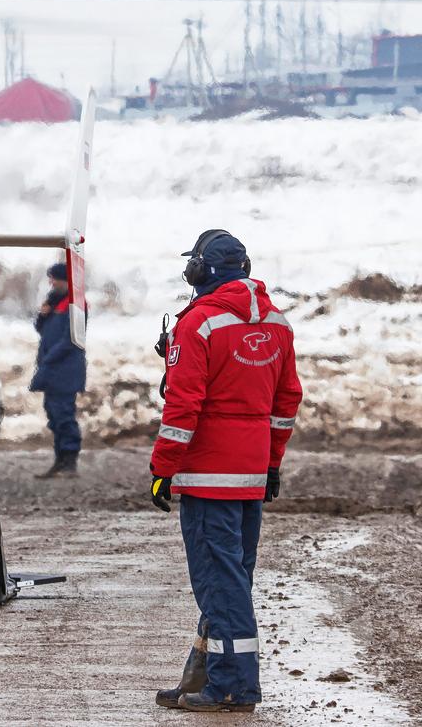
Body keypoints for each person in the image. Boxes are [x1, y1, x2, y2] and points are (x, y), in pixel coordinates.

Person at [149, 229, 302, 713]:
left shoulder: (199, 324)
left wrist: (162, 468)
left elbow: (183, 405)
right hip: (250, 476)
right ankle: (201, 675)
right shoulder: (278, 324)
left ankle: (234, 687)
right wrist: (271, 464)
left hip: (207, 477)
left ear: (200, 271)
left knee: (220, 582)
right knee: (232, 579)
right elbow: (286, 402)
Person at [29, 262, 85, 477]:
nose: (51, 283)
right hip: (52, 370)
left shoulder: (76, 304)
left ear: (65, 280)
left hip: (65, 371)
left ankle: (70, 460)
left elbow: (71, 339)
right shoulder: (54, 302)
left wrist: (48, 359)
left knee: (64, 415)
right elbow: (40, 329)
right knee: (54, 414)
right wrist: (43, 314)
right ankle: (60, 460)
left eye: (55, 279)